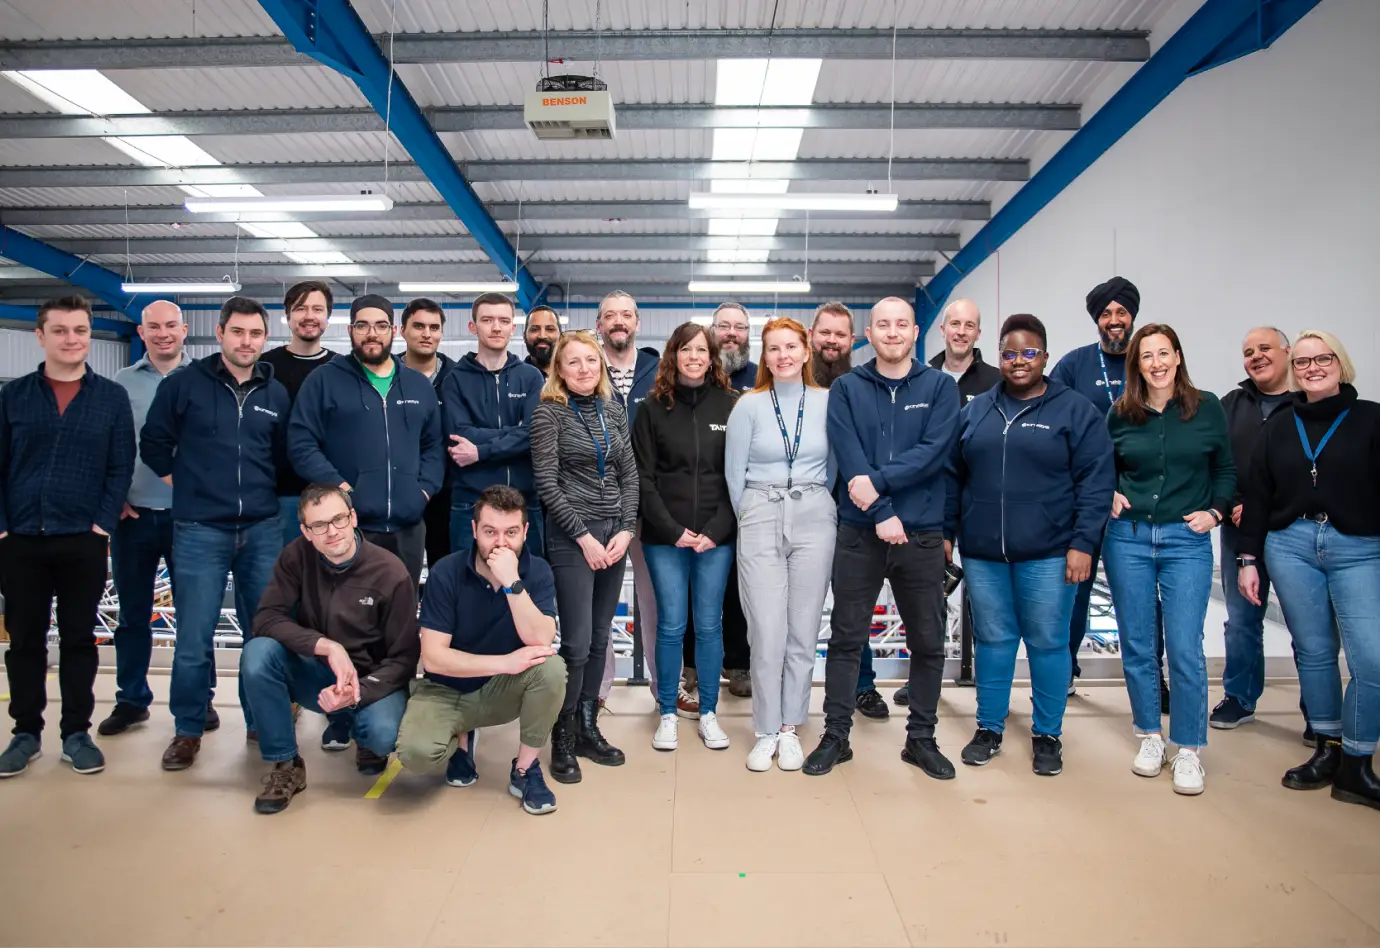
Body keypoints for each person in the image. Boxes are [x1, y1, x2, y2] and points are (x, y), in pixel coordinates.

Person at [946, 314, 1114, 776]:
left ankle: (1047, 734)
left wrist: (1083, 543)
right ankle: (989, 727)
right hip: (983, 553)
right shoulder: (977, 409)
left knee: (1047, 642)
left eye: (1028, 353)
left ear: (1044, 355)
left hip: (1050, 552)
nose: (1018, 362)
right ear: (998, 357)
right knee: (993, 641)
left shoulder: (1074, 410)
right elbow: (952, 475)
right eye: (1009, 353)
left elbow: (1096, 483)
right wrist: (947, 533)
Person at [805, 297, 960, 779]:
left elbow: (934, 453)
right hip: (860, 533)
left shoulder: (941, 387)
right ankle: (836, 735)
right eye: (882, 326)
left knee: (929, 641)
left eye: (901, 325)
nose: (892, 333)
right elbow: (850, 456)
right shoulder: (848, 388)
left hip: (922, 535)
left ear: (916, 333)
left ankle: (921, 739)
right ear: (867, 335)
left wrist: (881, 492)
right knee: (847, 638)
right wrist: (882, 512)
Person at [140, 296, 290, 771]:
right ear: (220, 333)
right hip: (200, 529)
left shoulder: (276, 393)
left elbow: (284, 457)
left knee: (262, 634)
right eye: (238, 332)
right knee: (193, 636)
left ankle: (259, 719)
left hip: (263, 529)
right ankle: (187, 729)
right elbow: (154, 444)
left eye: (255, 334)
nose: (247, 342)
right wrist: (187, 486)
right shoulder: (184, 385)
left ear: (265, 339)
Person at [1239, 331, 1380, 810]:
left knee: (1371, 659)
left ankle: (1358, 764)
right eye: (1303, 363)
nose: (1313, 368)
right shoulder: (1280, 425)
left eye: (1322, 359)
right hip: (1291, 544)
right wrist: (1248, 559)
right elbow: (1258, 494)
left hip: (1358, 546)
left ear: (1341, 362)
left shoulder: (1371, 419)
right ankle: (1327, 747)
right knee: (1315, 651)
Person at [0, 296, 134, 779]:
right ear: (40, 336)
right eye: (60, 331)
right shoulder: (13, 396)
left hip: (82, 537)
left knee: (80, 638)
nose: (71, 339)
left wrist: (101, 524)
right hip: (20, 539)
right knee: (25, 641)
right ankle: (25, 733)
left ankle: (76, 732)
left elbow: (121, 466)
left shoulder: (109, 398)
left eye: (79, 330)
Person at [1103, 323, 1233, 796]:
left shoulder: (1208, 408)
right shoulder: (1121, 413)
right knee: (1138, 645)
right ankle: (1149, 737)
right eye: (1146, 356)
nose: (1156, 363)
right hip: (1128, 539)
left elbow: (1225, 468)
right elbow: (1103, 467)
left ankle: (1189, 749)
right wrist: (1110, 494)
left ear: (1178, 357)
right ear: (1136, 365)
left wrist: (1216, 512)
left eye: (1164, 353)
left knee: (1184, 647)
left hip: (1186, 541)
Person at [241, 484, 419, 813]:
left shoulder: (390, 573)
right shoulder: (295, 556)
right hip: (318, 673)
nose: (331, 532)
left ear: (353, 518)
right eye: (319, 525)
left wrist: (360, 691)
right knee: (258, 654)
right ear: (306, 532)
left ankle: (362, 735)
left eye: (338, 519)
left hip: (373, 682)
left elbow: (405, 658)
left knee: (382, 734)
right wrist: (325, 646)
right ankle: (286, 765)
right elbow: (266, 619)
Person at [397, 485, 563, 815]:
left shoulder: (538, 571)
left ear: (525, 532)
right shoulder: (446, 572)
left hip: (498, 690)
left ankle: (525, 769)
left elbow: (542, 639)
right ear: (474, 530)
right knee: (414, 755)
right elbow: (432, 657)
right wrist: (504, 662)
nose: (501, 543)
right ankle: (462, 738)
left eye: (511, 532)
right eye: (490, 532)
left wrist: (513, 584)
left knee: (551, 668)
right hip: (446, 688)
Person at [725, 316, 835, 772]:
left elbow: (837, 462)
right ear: (764, 356)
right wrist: (752, 515)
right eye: (774, 348)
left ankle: (791, 726)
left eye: (791, 347)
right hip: (761, 512)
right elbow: (734, 475)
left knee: (803, 629)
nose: (783, 355)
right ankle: (766, 729)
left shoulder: (829, 402)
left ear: (807, 352)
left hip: (814, 513)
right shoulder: (748, 406)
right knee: (766, 630)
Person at [1051, 277, 1167, 704]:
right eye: (1106, 314)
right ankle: (1062, 672)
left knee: (1140, 598)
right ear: (1096, 320)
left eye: (1121, 312)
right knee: (1074, 591)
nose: (1114, 320)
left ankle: (1154, 680)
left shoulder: (1151, 365)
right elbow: (1053, 426)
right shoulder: (1073, 366)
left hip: (1134, 503)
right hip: (1082, 500)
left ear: (1132, 316)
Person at [532, 330, 638, 784]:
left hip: (614, 537)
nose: (583, 370)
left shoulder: (613, 410)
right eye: (573, 362)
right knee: (575, 644)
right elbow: (546, 483)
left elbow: (629, 473)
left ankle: (588, 726)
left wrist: (627, 530)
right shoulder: (547, 415)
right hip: (572, 541)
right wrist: (582, 537)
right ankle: (563, 736)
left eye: (590, 362)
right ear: (559, 369)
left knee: (600, 639)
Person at [288, 294, 443, 588]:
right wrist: (342, 491)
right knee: (348, 616)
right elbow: (301, 443)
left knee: (401, 613)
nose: (372, 333)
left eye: (381, 326)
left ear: (393, 332)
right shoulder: (324, 381)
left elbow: (433, 446)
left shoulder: (418, 385)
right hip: (349, 527)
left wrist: (422, 491)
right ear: (350, 331)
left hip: (408, 526)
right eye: (363, 326)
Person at [634, 322, 738, 753]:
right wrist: (672, 530)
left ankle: (710, 712)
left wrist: (715, 531)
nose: (694, 357)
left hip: (717, 537)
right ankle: (669, 714)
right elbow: (642, 476)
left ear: (713, 356)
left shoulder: (734, 405)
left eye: (702, 350)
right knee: (672, 625)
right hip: (665, 538)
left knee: (710, 625)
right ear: (673, 355)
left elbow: (740, 477)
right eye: (685, 349)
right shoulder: (652, 408)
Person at [98, 300, 190, 738]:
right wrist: (112, 497)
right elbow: (108, 445)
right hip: (133, 518)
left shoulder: (203, 379)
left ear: (185, 329)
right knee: (132, 618)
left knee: (194, 616)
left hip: (189, 519)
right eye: (154, 327)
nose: (163, 333)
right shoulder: (121, 383)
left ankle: (197, 702)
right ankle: (132, 700)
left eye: (171, 325)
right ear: (141, 331)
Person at [1212, 327, 1306, 732]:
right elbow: (1217, 464)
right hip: (1238, 529)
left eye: (1265, 348)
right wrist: (1234, 505)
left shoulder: (1309, 404)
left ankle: (1319, 714)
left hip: (1294, 530)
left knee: (1306, 623)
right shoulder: (1230, 405)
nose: (1256, 356)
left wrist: (1264, 509)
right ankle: (1240, 697)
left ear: (1288, 352)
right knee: (1241, 618)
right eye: (1249, 351)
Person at [593, 291, 663, 710]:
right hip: (600, 507)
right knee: (600, 604)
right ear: (599, 325)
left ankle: (664, 689)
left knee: (658, 605)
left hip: (651, 506)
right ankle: (597, 690)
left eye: (626, 315)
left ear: (637, 323)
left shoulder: (658, 372)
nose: (618, 322)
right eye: (609, 316)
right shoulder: (583, 367)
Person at [442, 293, 545, 559]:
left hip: (523, 502)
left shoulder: (531, 377)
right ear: (473, 326)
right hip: (471, 503)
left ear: (513, 327)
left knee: (527, 588)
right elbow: (460, 434)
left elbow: (534, 433)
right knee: (469, 588)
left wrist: (481, 451)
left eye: (503, 320)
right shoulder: (455, 380)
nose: (496, 327)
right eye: (487, 320)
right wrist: (515, 434)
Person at [705, 301, 758, 700]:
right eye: (724, 326)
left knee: (742, 591)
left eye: (739, 327)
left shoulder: (762, 379)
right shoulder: (696, 374)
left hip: (750, 503)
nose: (731, 333)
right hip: (701, 502)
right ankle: (694, 665)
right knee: (700, 588)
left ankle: (739, 664)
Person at [261, 281, 337, 546]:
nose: (309, 316)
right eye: (300, 308)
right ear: (287, 316)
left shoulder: (342, 370)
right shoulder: (264, 368)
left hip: (330, 497)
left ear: (327, 317)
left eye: (318, 309)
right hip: (275, 499)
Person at [400, 298, 459, 574]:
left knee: (444, 573)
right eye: (419, 326)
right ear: (402, 331)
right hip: (398, 491)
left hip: (446, 494)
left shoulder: (458, 377)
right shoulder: (385, 375)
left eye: (434, 327)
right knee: (396, 576)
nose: (427, 334)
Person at [523, 304, 561, 376]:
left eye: (550, 329)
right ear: (524, 336)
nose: (542, 336)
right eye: (534, 329)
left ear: (560, 336)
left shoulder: (571, 376)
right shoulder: (514, 377)